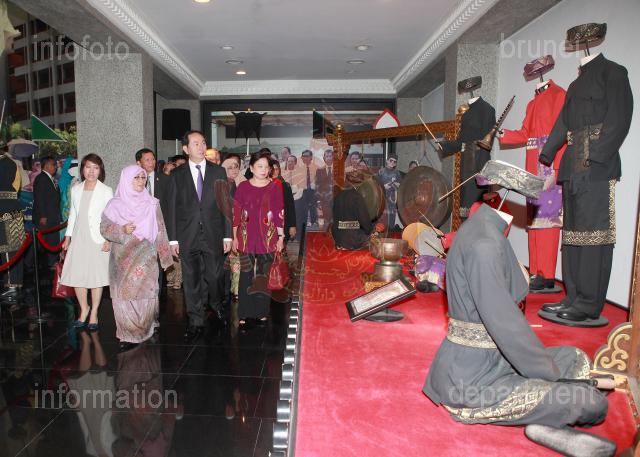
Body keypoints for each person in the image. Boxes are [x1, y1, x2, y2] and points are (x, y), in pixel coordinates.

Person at [424, 202, 613, 456]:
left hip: (494, 361)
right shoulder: (484, 244)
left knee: (576, 357)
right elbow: (506, 327)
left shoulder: (481, 228)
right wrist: (549, 373)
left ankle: (548, 408)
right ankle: (546, 421)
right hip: (470, 382)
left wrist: (548, 370)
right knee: (592, 404)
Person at [164, 130, 232, 342]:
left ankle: (216, 305)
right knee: (191, 278)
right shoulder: (177, 174)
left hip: (213, 233)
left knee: (215, 276)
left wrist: (228, 235)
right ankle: (195, 319)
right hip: (187, 234)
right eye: (196, 143)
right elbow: (171, 208)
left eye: (203, 143)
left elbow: (225, 205)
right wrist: (173, 239)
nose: (201, 147)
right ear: (186, 149)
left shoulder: (218, 171)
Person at [101, 165, 173, 350]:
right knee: (124, 295)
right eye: (137, 178)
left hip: (146, 255)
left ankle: (146, 327)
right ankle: (127, 334)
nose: (141, 181)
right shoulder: (115, 204)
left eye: (143, 178)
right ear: (126, 180)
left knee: (145, 292)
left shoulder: (151, 203)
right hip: (122, 257)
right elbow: (104, 228)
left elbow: (160, 229)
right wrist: (121, 229)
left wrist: (165, 256)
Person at [61, 154, 113, 330]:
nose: (91, 171)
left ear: (100, 170)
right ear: (82, 169)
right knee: (77, 276)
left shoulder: (106, 190)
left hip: (97, 238)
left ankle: (94, 313)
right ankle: (84, 309)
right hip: (79, 237)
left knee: (96, 277)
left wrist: (108, 238)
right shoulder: (76, 189)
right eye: (88, 167)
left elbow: (110, 217)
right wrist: (67, 237)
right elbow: (73, 215)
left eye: (95, 168)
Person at [232, 152, 284, 325]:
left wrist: (281, 237)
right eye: (260, 166)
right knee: (246, 274)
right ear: (251, 168)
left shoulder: (275, 186)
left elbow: (279, 213)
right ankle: (244, 312)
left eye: (266, 167)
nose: (264, 170)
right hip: (245, 236)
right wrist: (234, 236)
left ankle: (262, 310)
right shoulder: (243, 187)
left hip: (268, 236)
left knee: (263, 274)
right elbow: (236, 212)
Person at [332, 170, 376, 250]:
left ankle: (342, 245)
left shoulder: (338, 196)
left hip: (338, 238)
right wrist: (372, 230)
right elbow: (365, 221)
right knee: (376, 237)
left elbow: (334, 219)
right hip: (354, 239)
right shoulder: (357, 197)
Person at [33, 156, 61, 269]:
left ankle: (52, 262)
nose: (56, 167)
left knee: (51, 239)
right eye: (53, 164)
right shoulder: (41, 178)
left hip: (52, 215)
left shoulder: (49, 178)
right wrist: (43, 215)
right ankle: (30, 263)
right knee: (41, 241)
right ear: (46, 165)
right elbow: (39, 198)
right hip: (45, 217)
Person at [292, 149, 318, 239]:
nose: (305, 158)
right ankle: (299, 236)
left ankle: (313, 236)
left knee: (314, 213)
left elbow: (319, 181)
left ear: (311, 157)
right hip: (301, 193)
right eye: (303, 156)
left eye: (307, 156)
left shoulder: (317, 168)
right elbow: (295, 182)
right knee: (301, 215)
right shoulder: (297, 169)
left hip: (313, 192)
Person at [270, 160, 296, 241]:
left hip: (284, 223)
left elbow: (290, 207)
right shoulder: (262, 185)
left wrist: (292, 226)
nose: (274, 172)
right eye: (272, 169)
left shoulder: (285, 185)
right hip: (267, 224)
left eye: (276, 169)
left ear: (279, 170)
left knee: (281, 247)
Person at [377, 154, 402, 230]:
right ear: (387, 161)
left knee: (391, 221)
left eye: (395, 162)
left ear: (396, 164)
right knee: (381, 220)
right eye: (391, 160)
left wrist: (396, 184)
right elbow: (376, 186)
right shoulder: (381, 172)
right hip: (382, 199)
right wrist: (383, 187)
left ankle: (390, 232)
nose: (392, 163)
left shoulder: (397, 173)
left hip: (392, 200)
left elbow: (400, 185)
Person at [315, 148, 334, 229]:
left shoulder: (338, 169)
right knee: (325, 222)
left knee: (335, 221)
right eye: (327, 156)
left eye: (330, 156)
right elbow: (317, 185)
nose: (329, 158)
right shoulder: (319, 170)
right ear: (324, 158)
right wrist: (319, 199)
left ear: (333, 157)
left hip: (336, 198)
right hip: (324, 199)